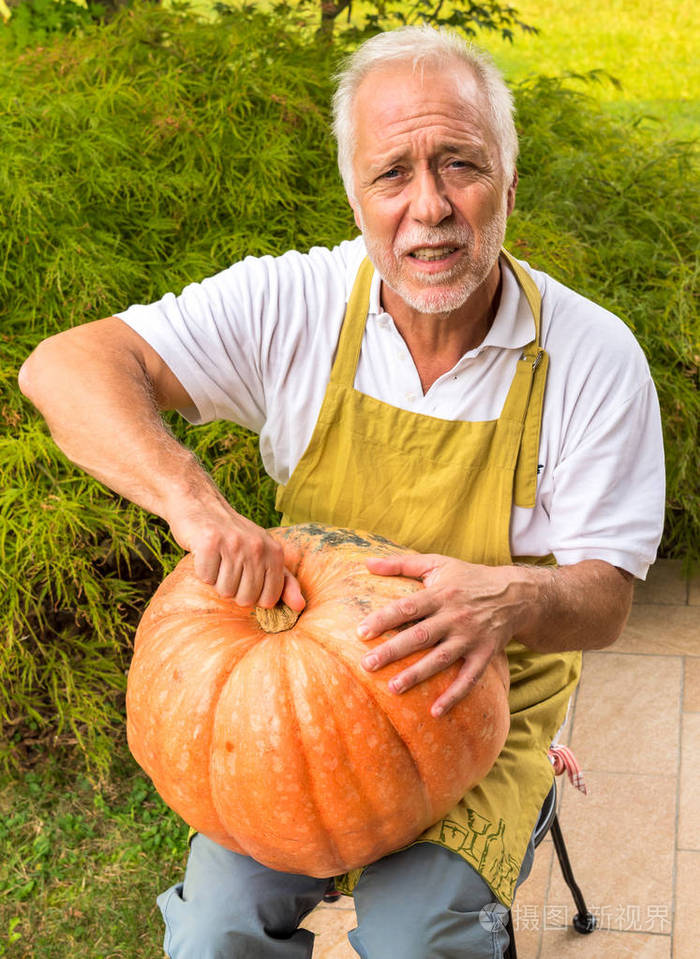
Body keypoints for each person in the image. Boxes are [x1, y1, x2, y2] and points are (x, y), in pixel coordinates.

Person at [19, 24, 664, 959]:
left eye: (461, 165)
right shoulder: (299, 305)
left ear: (509, 184)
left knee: (418, 936)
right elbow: (65, 367)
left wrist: (512, 597)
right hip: (289, 715)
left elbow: (604, 600)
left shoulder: (594, 358)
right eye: (392, 174)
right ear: (355, 197)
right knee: (213, 929)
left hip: (488, 707)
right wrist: (194, 504)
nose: (430, 208)